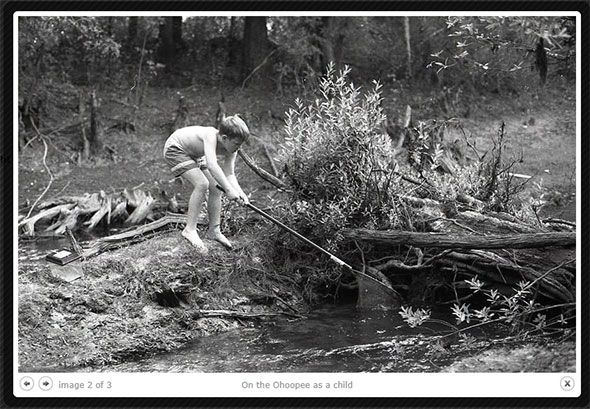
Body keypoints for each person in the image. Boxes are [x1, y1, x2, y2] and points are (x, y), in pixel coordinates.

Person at [163, 115, 250, 254]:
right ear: (225, 138)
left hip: (195, 155)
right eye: (236, 144)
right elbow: (212, 164)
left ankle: (214, 230)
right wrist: (228, 189)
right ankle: (189, 230)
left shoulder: (232, 149)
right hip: (176, 149)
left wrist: (240, 193)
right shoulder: (210, 135)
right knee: (202, 183)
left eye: (240, 144)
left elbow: (230, 174)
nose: (238, 148)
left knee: (216, 187)